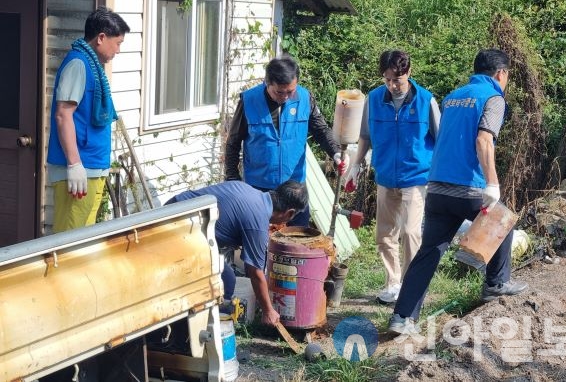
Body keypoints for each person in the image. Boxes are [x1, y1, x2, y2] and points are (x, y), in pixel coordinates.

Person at [388, 48, 528, 335]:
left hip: (437, 189)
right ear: (501, 74)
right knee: (503, 219)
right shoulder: (494, 98)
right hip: (468, 188)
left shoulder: (453, 97)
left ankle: (402, 317)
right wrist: (492, 182)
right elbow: (483, 141)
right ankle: (495, 284)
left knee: (428, 252)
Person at [344, 50, 440, 304]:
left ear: (408, 73)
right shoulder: (374, 99)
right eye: (387, 80)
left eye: (397, 79)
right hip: (385, 175)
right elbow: (365, 135)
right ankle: (393, 283)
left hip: (416, 177)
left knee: (410, 233)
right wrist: (356, 166)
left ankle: (411, 285)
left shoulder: (426, 101)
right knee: (384, 234)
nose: (392, 85)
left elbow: (440, 140)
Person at [224, 55, 349, 227]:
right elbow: (233, 142)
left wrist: (335, 153)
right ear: (267, 83)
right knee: (261, 243)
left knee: (296, 244)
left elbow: (321, 130)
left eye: (290, 91)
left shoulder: (305, 98)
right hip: (259, 189)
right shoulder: (249, 101)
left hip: (295, 188)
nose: (285, 97)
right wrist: (233, 180)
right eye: (279, 92)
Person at [165, 180, 308, 326]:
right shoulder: (257, 222)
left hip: (169, 211)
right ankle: (196, 334)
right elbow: (254, 272)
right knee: (224, 281)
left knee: (224, 276)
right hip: (177, 231)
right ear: (290, 213)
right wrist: (268, 310)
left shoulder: (248, 190)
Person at [47, 6, 130, 233]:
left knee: (83, 243)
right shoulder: (79, 64)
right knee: (68, 244)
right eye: (118, 43)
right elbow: (63, 114)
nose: (118, 50)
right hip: (77, 172)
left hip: (92, 168)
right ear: (101, 38)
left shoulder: (92, 66)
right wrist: (74, 165)